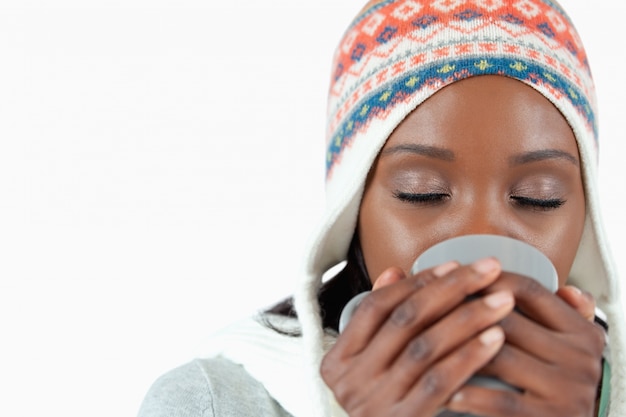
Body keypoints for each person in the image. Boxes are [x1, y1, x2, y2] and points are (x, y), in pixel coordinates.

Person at [138, 0, 626, 416]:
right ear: (351, 214)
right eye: (422, 192)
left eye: (538, 197)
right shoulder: (219, 401)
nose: (483, 249)